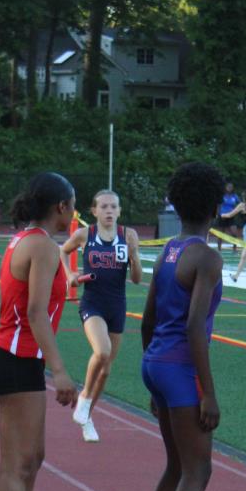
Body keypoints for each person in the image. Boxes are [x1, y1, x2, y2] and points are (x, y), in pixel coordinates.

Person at [0, 172, 78, 491]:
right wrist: (59, 370)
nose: (75, 214)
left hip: (20, 359)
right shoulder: (40, 244)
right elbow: (36, 312)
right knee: (17, 463)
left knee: (33, 458)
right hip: (15, 358)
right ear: (61, 207)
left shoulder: (30, 240)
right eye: (73, 205)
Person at [139, 162, 228, 491]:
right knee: (197, 469)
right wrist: (207, 392)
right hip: (180, 368)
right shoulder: (207, 257)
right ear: (216, 208)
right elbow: (195, 326)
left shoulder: (169, 251)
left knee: (176, 466)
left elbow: (148, 318)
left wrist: (153, 374)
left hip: (157, 362)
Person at [60, 189, 142, 442]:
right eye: (104, 207)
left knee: (105, 370)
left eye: (113, 207)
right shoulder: (85, 234)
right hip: (92, 303)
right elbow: (63, 251)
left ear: (119, 211)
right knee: (102, 351)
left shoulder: (129, 235)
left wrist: (134, 256)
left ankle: (86, 416)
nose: (109, 211)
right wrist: (70, 275)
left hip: (117, 305)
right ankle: (84, 398)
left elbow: (136, 279)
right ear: (94, 211)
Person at [215, 180, 242, 251]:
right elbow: (218, 205)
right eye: (228, 187)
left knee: (234, 233)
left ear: (233, 188)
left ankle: (234, 248)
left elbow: (240, 204)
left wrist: (236, 211)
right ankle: (219, 249)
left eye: (231, 187)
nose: (230, 188)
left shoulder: (235, 196)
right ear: (225, 188)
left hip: (231, 216)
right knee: (221, 234)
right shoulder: (222, 195)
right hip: (222, 216)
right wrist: (218, 214)